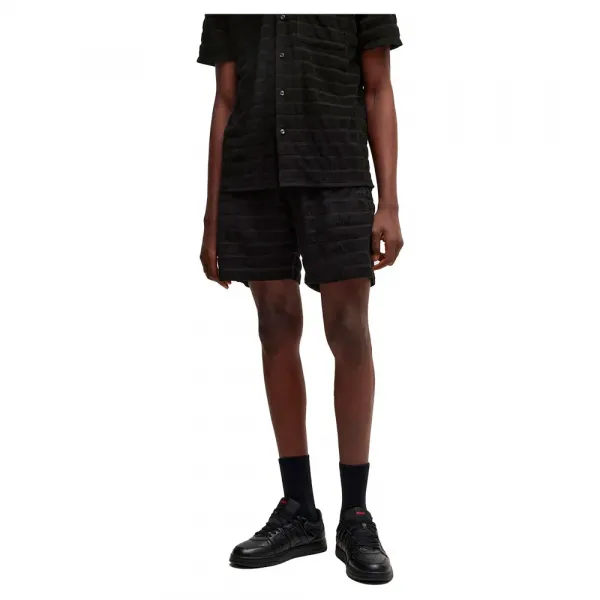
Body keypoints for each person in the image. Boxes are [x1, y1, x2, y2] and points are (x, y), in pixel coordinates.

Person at [197, 14, 403, 584]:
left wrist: (389, 202)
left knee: (349, 331)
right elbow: (225, 100)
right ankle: (299, 511)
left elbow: (379, 88)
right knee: (275, 327)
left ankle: (355, 514)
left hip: (336, 174)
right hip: (252, 180)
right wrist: (212, 217)